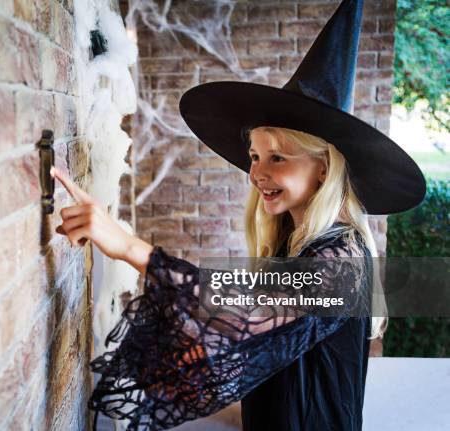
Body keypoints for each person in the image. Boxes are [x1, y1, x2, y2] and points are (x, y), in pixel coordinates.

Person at [52, 1, 426, 429]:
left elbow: (243, 314)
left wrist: (126, 246)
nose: (256, 173)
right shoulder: (298, 240)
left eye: (277, 158)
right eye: (254, 156)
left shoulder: (343, 259)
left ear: (323, 168)